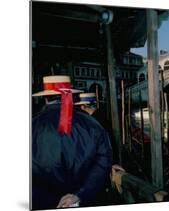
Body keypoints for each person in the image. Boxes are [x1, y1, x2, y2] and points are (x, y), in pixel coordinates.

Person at [32, 75, 113, 210]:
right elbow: (103, 162)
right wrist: (79, 194)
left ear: (45, 97)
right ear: (70, 95)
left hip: (42, 202)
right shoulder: (93, 124)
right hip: (86, 200)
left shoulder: (31, 125)